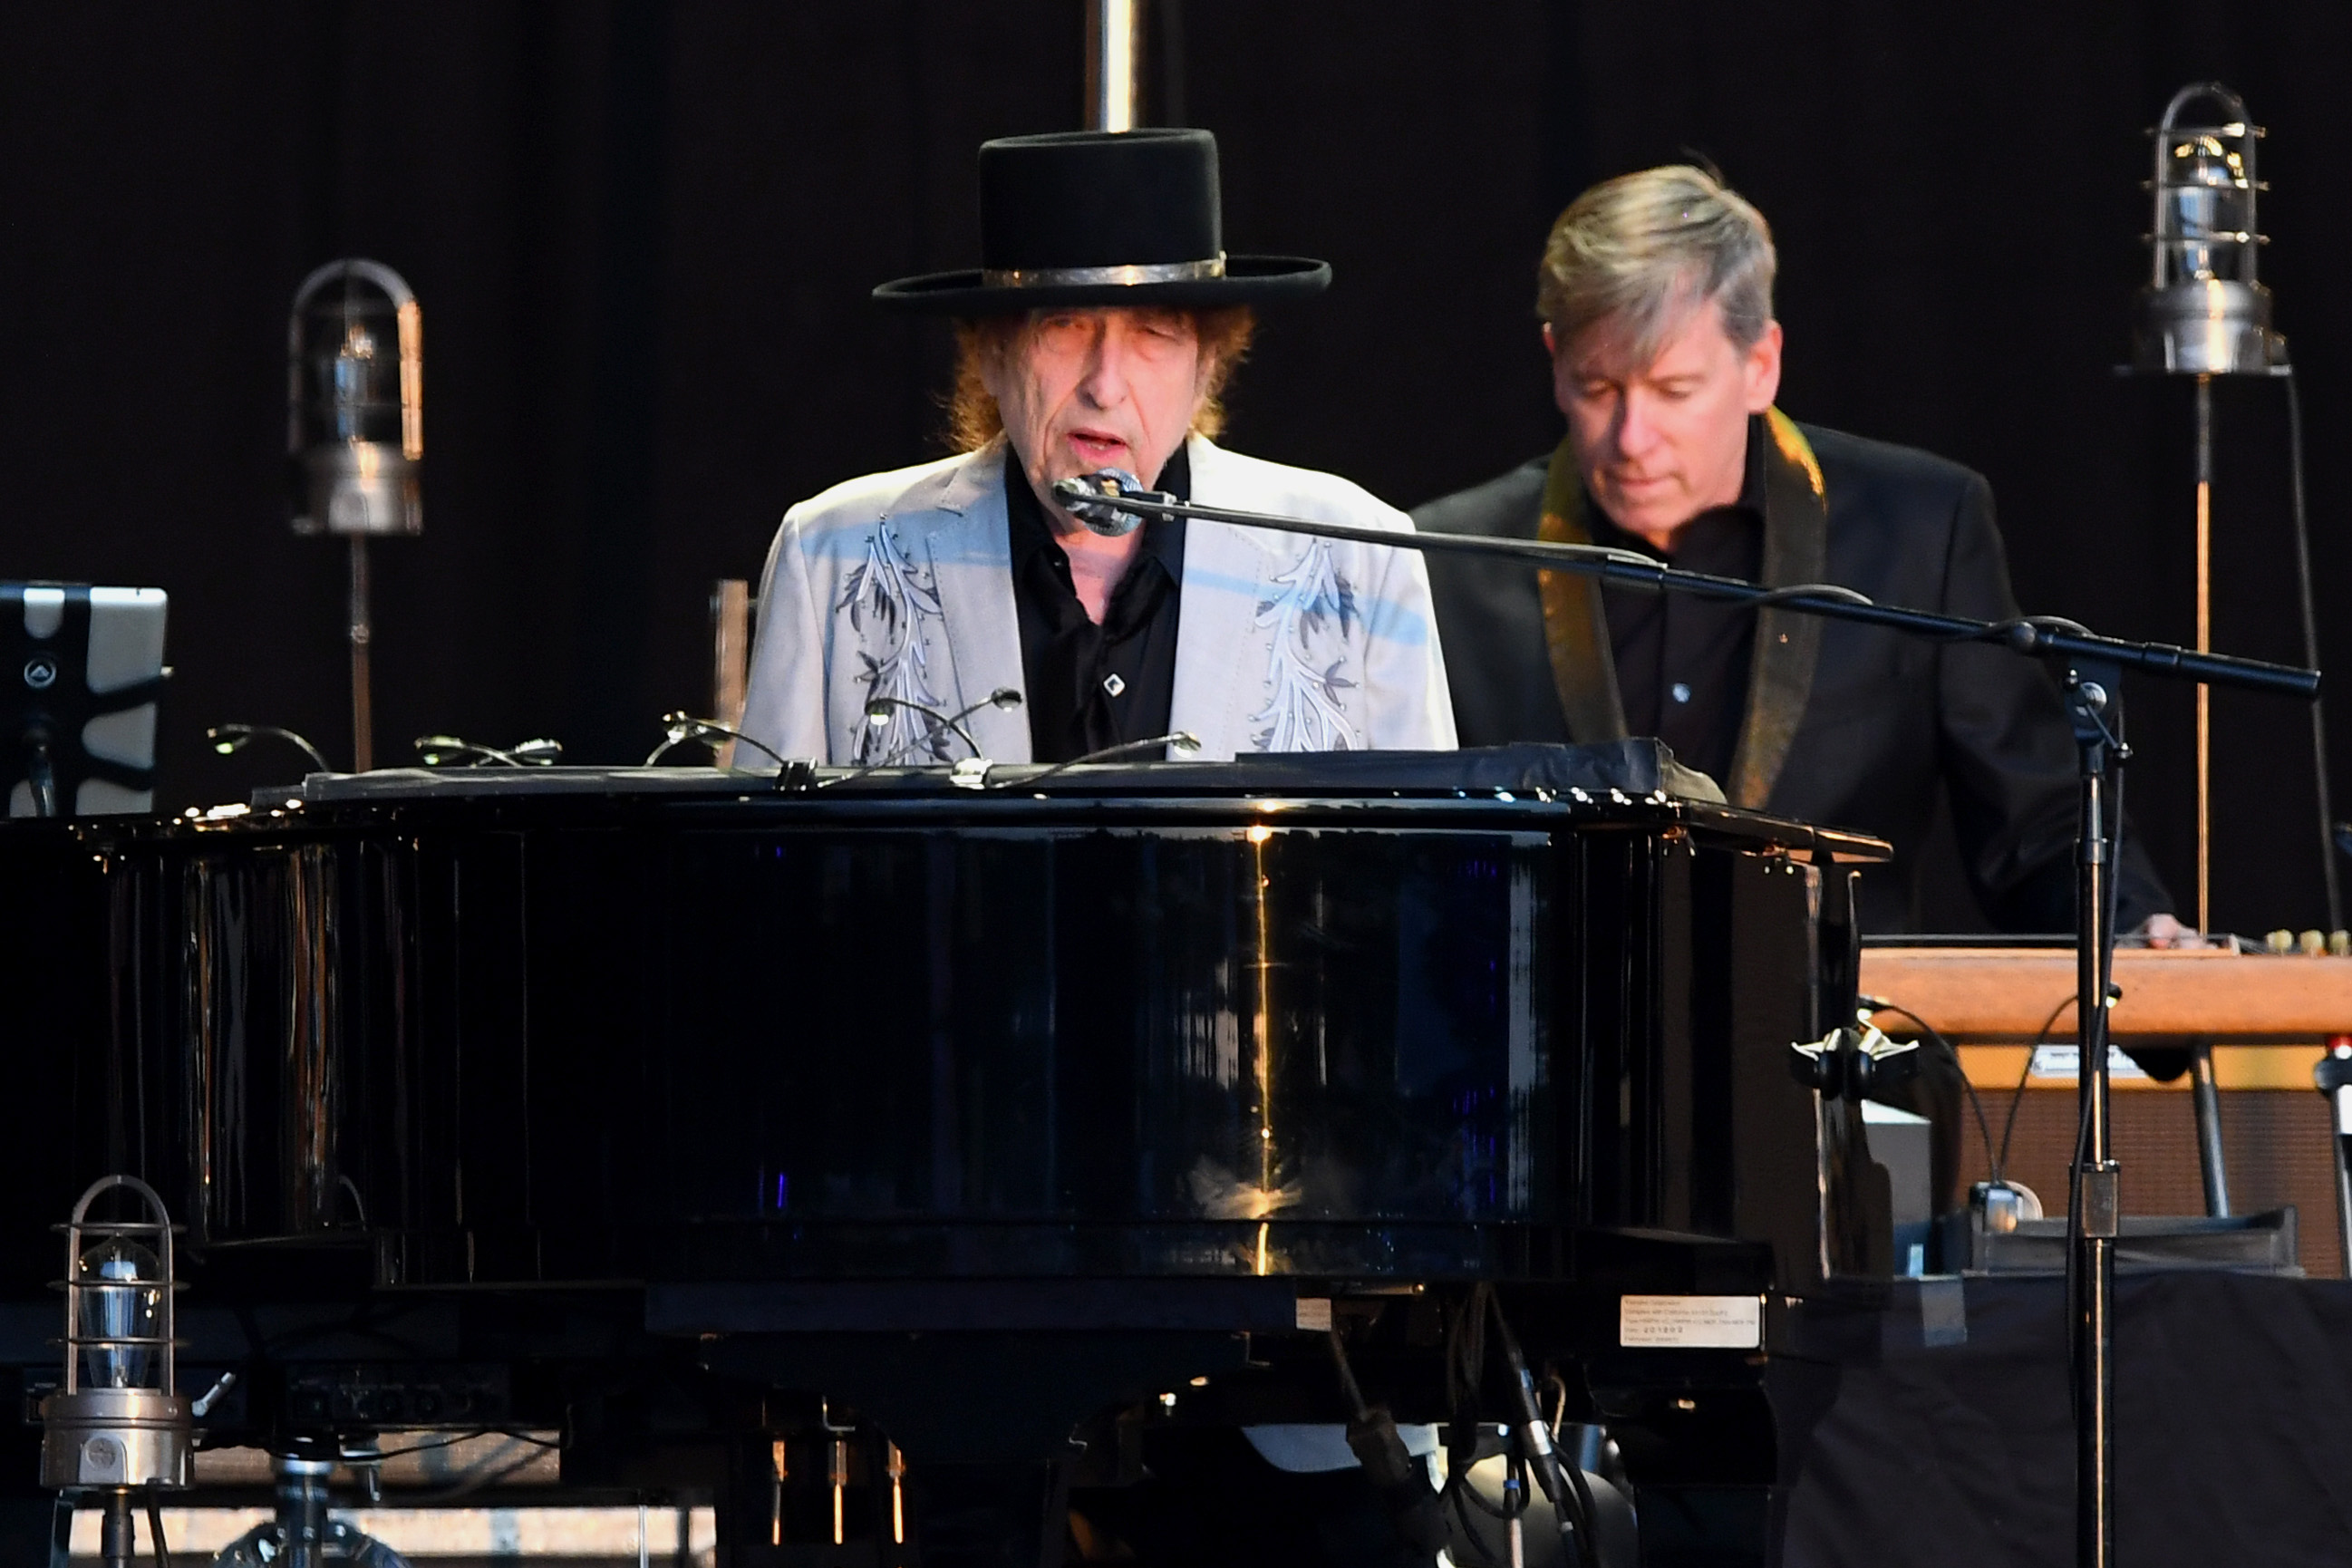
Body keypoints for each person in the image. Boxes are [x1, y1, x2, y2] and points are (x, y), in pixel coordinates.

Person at [1414, 164, 2175, 935]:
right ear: (1553, 361)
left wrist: (2133, 936)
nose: (1631, 439)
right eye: (1598, 389)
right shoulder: (1449, 560)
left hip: (1841, 1040)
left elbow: (2038, 831)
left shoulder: (1918, 529)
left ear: (1761, 366)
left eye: (1673, 390)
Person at [739, 127, 1455, 767]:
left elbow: (1431, 878)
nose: (1105, 385)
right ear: (989, 355)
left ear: (1207, 366)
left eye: (1154, 333)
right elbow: (761, 876)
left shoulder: (1360, 553)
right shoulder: (832, 552)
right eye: (1065, 327)